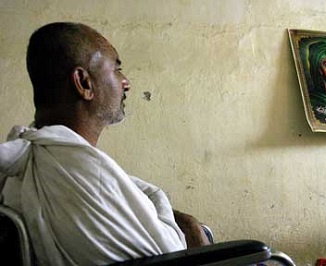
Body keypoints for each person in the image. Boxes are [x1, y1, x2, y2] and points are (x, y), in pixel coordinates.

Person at [0, 22, 209, 265]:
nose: (126, 82)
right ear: (84, 83)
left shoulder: (35, 162)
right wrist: (191, 228)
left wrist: (186, 222)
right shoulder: (79, 175)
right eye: (117, 69)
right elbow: (171, 251)